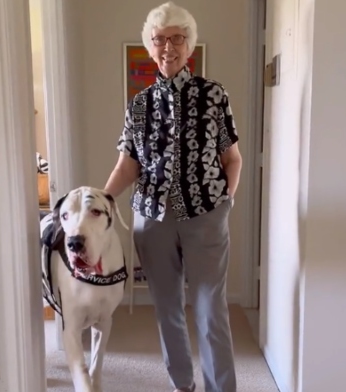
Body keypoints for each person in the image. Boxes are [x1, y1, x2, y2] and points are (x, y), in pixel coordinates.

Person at [103, 2, 243, 392]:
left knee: (210, 310)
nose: (168, 47)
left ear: (189, 46)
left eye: (177, 38)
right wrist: (100, 197)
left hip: (206, 215)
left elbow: (233, 159)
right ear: (150, 46)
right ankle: (182, 384)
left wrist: (225, 202)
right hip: (152, 219)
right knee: (166, 309)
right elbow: (127, 166)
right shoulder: (139, 105)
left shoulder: (213, 95)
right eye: (160, 39)